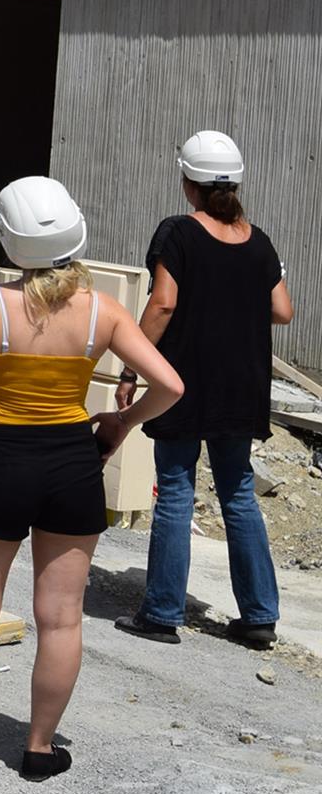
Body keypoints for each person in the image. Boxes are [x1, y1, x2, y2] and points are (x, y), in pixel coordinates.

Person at [0, 177, 182, 794]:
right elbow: (170, 385)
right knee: (60, 619)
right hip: (71, 465)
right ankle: (38, 748)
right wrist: (121, 421)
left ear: (9, 242)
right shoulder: (103, 310)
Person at [115, 130, 294, 652]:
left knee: (175, 490)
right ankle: (260, 616)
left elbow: (163, 305)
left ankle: (162, 613)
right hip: (242, 385)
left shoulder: (178, 234)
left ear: (187, 182)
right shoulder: (259, 241)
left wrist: (130, 369)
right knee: (238, 492)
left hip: (186, 381)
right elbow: (282, 310)